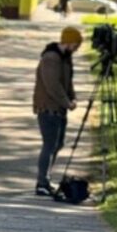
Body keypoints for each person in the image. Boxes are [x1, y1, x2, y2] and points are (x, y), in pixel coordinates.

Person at [33, 26, 82, 196]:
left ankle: (46, 180)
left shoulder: (65, 59)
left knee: (57, 144)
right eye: (76, 44)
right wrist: (66, 102)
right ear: (68, 42)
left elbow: (68, 82)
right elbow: (52, 85)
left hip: (60, 109)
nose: (77, 48)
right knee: (49, 144)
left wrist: (73, 97)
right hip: (48, 108)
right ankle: (41, 182)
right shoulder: (51, 58)